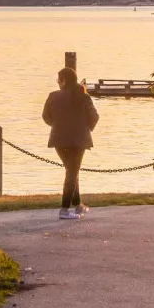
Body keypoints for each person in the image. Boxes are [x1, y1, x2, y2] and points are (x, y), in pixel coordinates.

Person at [41, 67, 101, 218]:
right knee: (72, 172)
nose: (58, 83)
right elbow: (94, 116)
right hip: (79, 140)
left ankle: (78, 205)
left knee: (71, 171)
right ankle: (64, 209)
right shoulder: (83, 97)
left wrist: (57, 126)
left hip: (59, 139)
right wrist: (87, 128)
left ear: (63, 81)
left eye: (58, 80)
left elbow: (46, 116)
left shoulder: (53, 96)